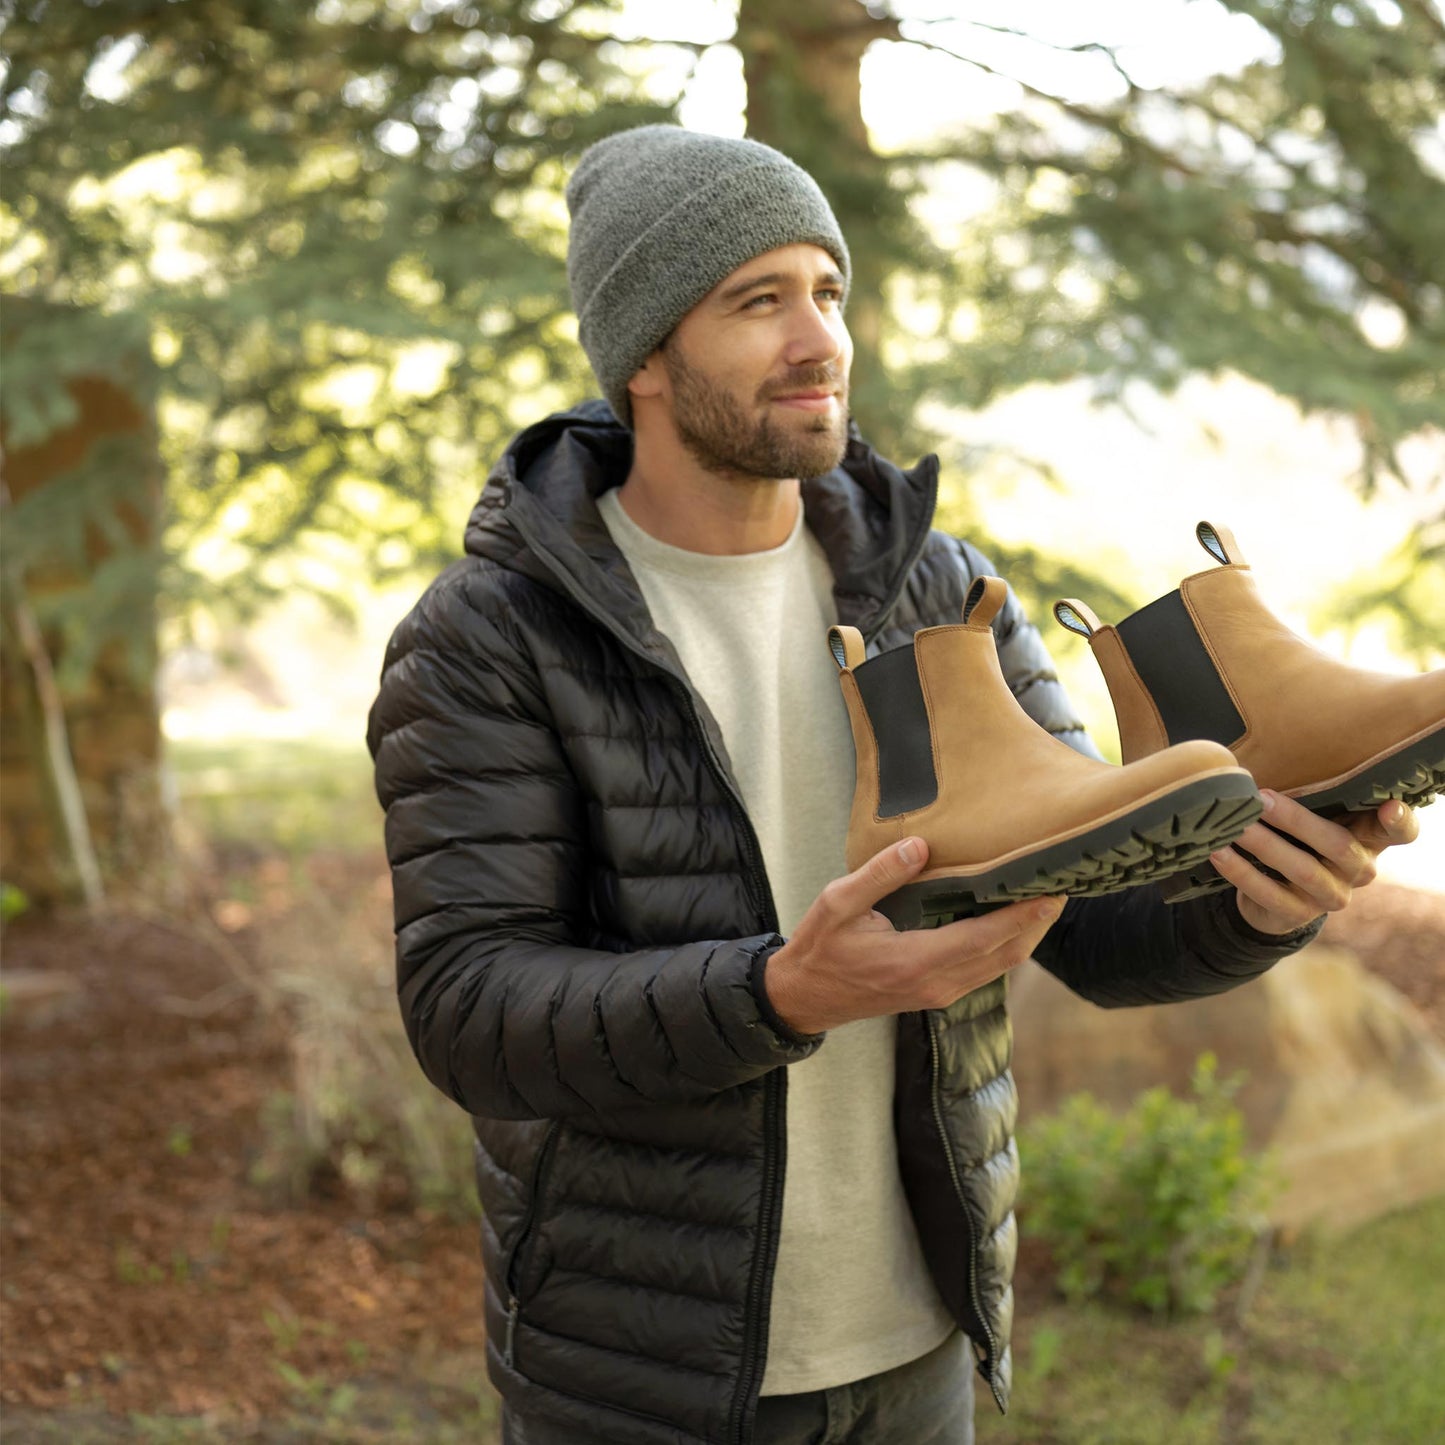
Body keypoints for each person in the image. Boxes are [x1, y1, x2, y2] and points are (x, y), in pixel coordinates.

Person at [367, 125, 1417, 1445]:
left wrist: (1261, 907)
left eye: (827, 291)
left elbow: (1090, 918)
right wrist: (778, 991)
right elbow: (471, 1010)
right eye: (757, 301)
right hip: (640, 1378)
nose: (819, 340)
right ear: (642, 353)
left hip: (917, 1350)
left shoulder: (937, 586)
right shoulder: (494, 635)